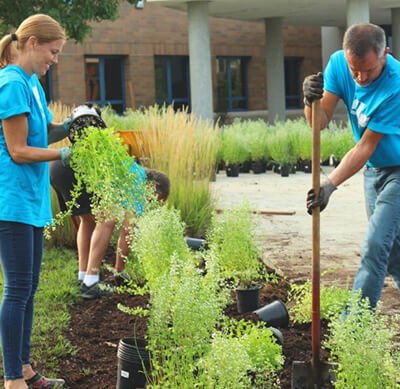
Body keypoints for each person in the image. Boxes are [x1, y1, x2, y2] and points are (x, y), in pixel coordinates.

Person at [303, 23, 400, 310]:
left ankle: (354, 325)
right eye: (353, 69)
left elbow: (366, 145)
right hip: (373, 171)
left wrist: (329, 184)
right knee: (393, 251)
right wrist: (310, 100)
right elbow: (318, 124)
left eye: (368, 70)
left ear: (385, 54)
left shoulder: (396, 84)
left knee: (375, 244)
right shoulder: (338, 64)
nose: (359, 77)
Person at [0, 14, 72, 389]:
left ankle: (25, 368)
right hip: (10, 199)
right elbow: (18, 150)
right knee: (16, 288)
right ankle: (12, 379)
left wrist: (75, 124)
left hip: (31, 199)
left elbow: (45, 132)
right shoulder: (11, 83)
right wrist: (63, 156)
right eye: (53, 51)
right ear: (31, 43)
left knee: (28, 287)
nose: (55, 60)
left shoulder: (32, 84)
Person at [79, 165, 170, 299]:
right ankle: (90, 282)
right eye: (153, 200)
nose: (149, 204)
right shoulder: (138, 182)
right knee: (108, 220)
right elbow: (128, 231)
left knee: (87, 221)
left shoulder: (132, 170)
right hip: (81, 172)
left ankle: (83, 276)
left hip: (61, 170)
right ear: (153, 188)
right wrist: (120, 270)